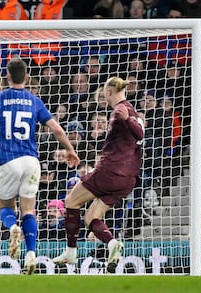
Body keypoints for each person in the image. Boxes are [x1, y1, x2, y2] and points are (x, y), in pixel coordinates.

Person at [0, 57, 80, 275]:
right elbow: (57, 129)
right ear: (27, 77)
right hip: (31, 161)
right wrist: (70, 149)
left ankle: (13, 228)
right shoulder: (34, 101)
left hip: (8, 161)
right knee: (29, 210)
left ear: (8, 76)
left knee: (5, 207)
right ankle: (31, 253)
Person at [53, 76, 144, 273]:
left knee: (71, 201)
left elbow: (139, 134)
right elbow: (138, 133)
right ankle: (112, 243)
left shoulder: (121, 110)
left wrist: (124, 118)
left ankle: (70, 251)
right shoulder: (134, 112)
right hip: (128, 178)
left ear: (108, 92)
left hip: (110, 171)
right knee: (91, 217)